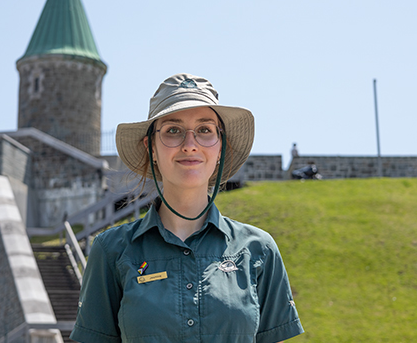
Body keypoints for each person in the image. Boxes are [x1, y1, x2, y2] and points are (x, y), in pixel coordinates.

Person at [70, 73, 303, 343]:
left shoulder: (259, 250)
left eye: (204, 130)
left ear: (220, 147)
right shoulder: (111, 250)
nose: (189, 145)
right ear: (152, 148)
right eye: (173, 130)